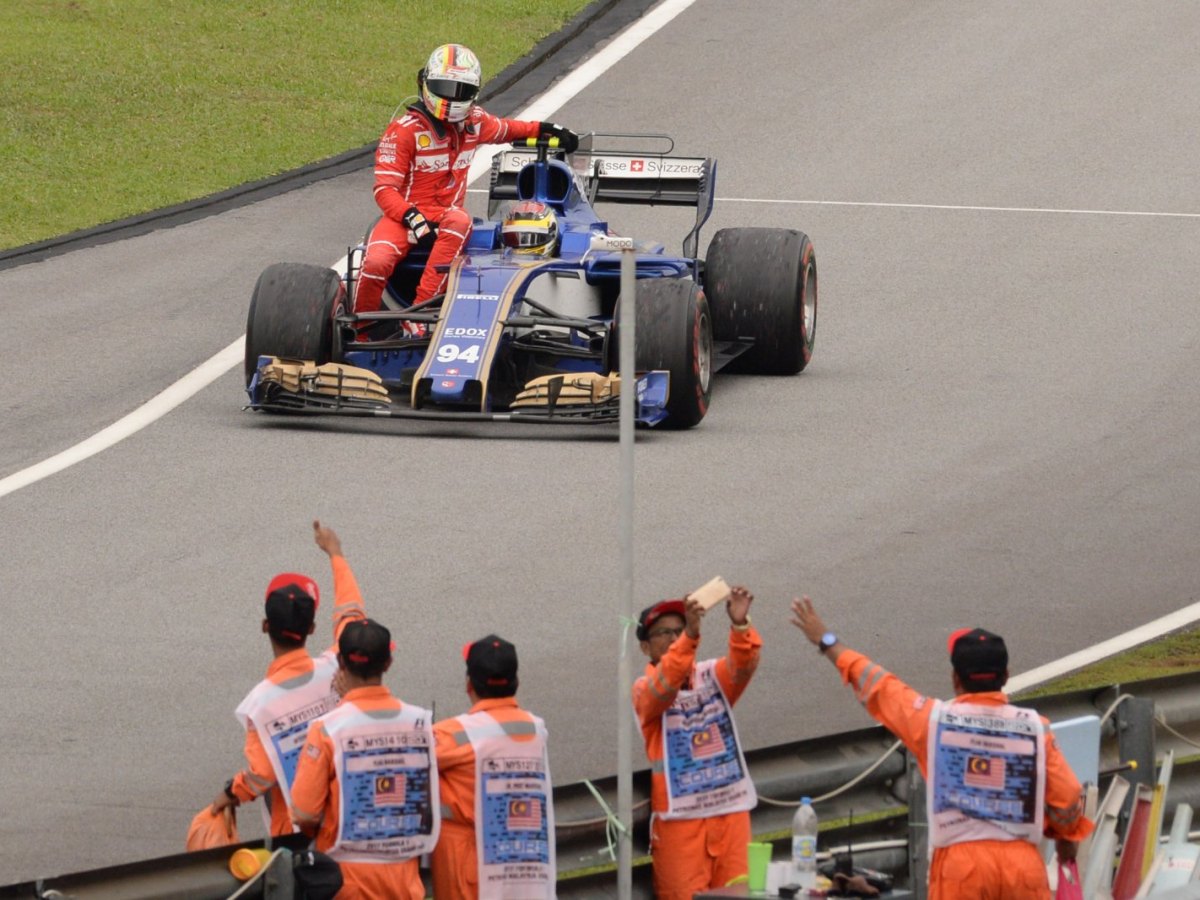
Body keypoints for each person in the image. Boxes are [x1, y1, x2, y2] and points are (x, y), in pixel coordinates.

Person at [790, 596, 1094, 900]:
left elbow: (877, 684)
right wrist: (1066, 837)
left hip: (962, 869)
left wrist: (826, 641)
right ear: (1006, 675)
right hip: (1022, 867)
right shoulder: (1035, 728)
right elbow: (1066, 797)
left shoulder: (934, 722)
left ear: (955, 678)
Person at [354, 42, 580, 334]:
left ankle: (421, 315)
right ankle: (360, 326)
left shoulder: (476, 123)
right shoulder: (403, 131)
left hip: (448, 219)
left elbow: (510, 129)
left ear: (472, 93)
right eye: (443, 87)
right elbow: (384, 190)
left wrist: (546, 129)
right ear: (425, 83)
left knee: (459, 220)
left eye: (459, 90)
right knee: (375, 261)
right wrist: (411, 216)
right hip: (403, 217)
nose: (451, 97)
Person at [210, 520, 367, 836]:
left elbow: (263, 775)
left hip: (296, 833)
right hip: (348, 814)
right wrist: (335, 554)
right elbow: (352, 618)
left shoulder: (260, 703)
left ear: (265, 626)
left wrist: (231, 794)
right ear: (311, 629)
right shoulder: (337, 667)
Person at [291, 619, 439, 899]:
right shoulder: (421, 723)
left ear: (340, 663)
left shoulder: (326, 729)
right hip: (404, 885)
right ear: (388, 663)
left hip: (346, 884)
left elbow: (304, 812)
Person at [632, 586, 762, 900]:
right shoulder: (643, 688)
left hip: (730, 815)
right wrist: (690, 635)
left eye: (679, 630)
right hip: (680, 823)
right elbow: (665, 684)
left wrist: (741, 625)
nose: (675, 637)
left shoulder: (712, 675)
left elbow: (744, 665)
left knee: (743, 893)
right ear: (646, 647)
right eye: (665, 632)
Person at [431, 635, 555, 899]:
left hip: (472, 868)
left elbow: (409, 757)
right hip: (526, 863)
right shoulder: (536, 728)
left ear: (469, 684)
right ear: (516, 682)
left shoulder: (453, 734)